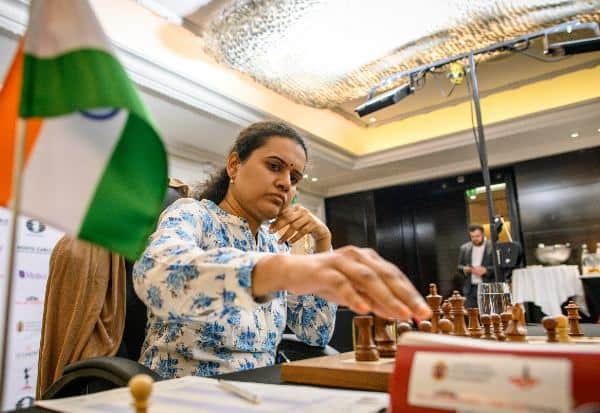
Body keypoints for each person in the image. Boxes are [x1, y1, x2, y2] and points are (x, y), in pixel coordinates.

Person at [133, 121, 431, 378]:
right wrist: (280, 270)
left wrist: (323, 242)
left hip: (263, 391)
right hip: (186, 391)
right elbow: (155, 275)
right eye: (274, 166)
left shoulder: (274, 243)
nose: (285, 183)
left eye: (294, 177)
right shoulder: (194, 214)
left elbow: (315, 333)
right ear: (234, 165)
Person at [457, 224, 495, 308]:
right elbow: (459, 267)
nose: (475, 239)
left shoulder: (493, 246)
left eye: (477, 236)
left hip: (488, 287)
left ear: (483, 234)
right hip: (470, 289)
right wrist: (464, 269)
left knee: (489, 313)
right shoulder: (464, 248)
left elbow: (499, 267)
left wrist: (486, 270)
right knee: (471, 314)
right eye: (472, 236)